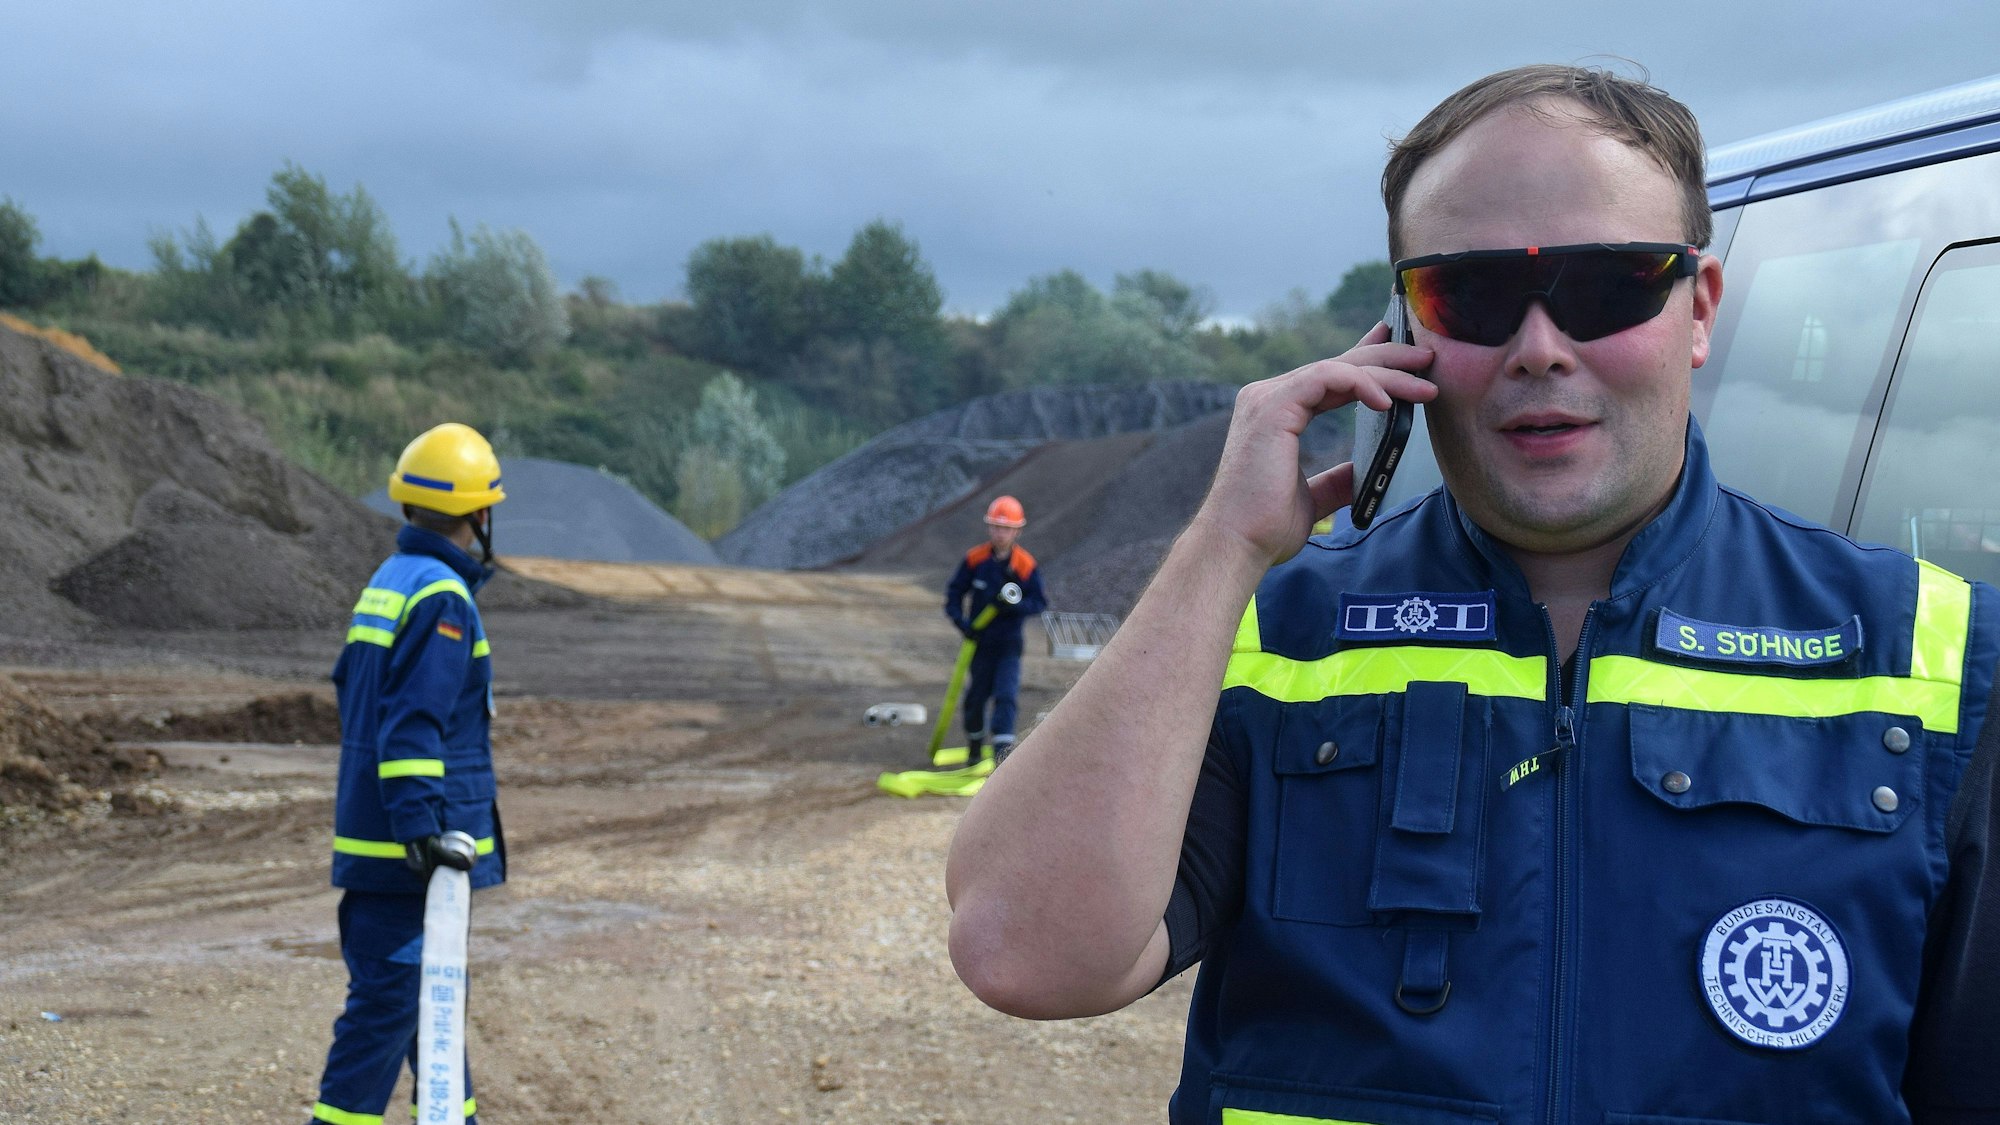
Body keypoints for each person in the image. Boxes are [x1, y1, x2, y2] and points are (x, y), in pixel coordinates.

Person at [945, 64, 2000, 1123]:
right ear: (1404, 328)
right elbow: (1022, 951)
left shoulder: (1931, 655)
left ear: (1699, 309)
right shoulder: (1275, 632)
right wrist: (1223, 546)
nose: (1539, 350)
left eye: (1607, 287)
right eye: (1474, 295)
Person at [310, 422, 507, 1125]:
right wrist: (421, 828)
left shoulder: (390, 580)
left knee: (433, 1004)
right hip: (414, 853)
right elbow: (414, 723)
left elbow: (357, 700)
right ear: (478, 514)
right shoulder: (443, 597)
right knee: (389, 1007)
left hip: (380, 837)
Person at [943, 495, 1048, 766]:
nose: (1000, 533)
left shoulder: (1024, 565)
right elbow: (954, 594)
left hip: (1008, 644)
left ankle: (1002, 756)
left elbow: (1039, 602)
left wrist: (1015, 606)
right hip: (979, 643)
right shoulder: (975, 559)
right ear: (989, 527)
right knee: (976, 698)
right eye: (996, 526)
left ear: (1017, 531)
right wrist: (963, 624)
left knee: (1006, 696)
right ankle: (975, 751)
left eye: (1006, 528)